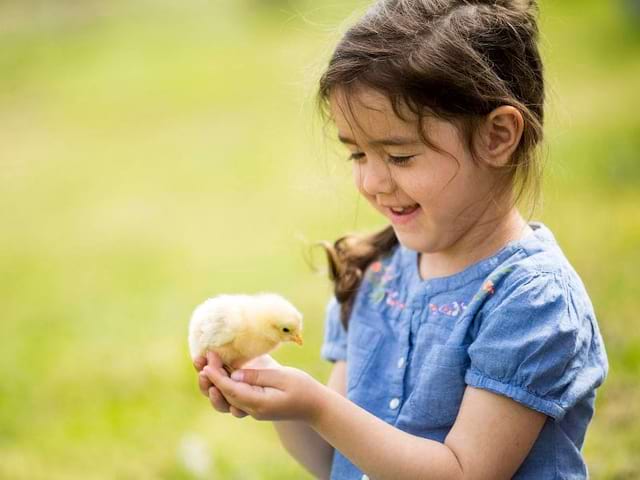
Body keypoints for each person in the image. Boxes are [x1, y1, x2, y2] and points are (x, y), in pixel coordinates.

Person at [194, 0, 609, 478]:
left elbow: (463, 472)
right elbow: (335, 461)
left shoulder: (531, 301)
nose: (372, 181)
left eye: (400, 156)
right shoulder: (375, 273)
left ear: (497, 136)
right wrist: (272, 387)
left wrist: (320, 407)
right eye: (356, 155)